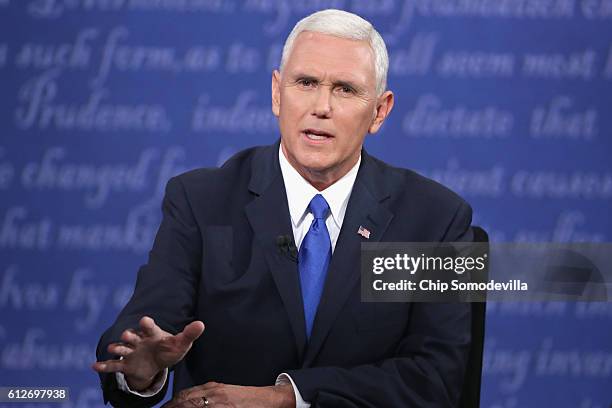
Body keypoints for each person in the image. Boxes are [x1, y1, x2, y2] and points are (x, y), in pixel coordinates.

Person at [93, 9, 473, 408]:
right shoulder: (200, 200)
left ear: (380, 111)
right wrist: (140, 368)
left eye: (345, 89)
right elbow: (142, 330)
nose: (321, 106)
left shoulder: (440, 220)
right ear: (277, 92)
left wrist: (286, 397)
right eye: (306, 82)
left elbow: (438, 380)